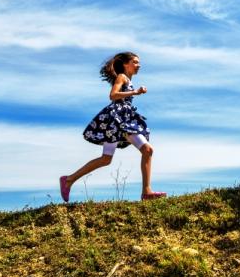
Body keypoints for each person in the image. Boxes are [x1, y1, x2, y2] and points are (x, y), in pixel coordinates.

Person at [59, 52, 166, 201]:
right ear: (125, 64)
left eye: (138, 62)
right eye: (135, 62)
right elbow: (113, 95)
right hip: (118, 120)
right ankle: (146, 192)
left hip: (119, 120)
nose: (138, 65)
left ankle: (69, 179)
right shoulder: (122, 77)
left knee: (105, 159)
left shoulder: (128, 79)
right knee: (147, 149)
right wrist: (135, 92)